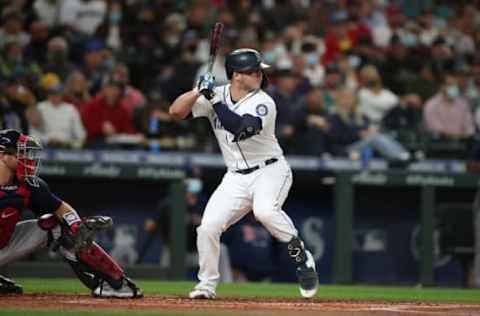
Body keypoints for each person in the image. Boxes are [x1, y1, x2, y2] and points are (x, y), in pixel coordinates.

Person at [169, 48, 318, 299]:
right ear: (236, 75)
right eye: (253, 71)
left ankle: (301, 256)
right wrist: (197, 91)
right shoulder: (214, 94)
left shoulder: (264, 102)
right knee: (208, 228)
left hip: (270, 170)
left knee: (265, 211)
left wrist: (213, 100)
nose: (260, 75)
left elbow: (240, 128)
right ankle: (206, 285)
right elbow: (176, 112)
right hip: (236, 176)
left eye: (259, 71)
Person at [0, 129, 143, 298]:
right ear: (3, 155)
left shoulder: (29, 185)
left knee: (57, 226)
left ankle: (115, 284)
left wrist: (77, 226)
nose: (28, 158)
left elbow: (62, 209)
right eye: (21, 153)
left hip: (4, 244)